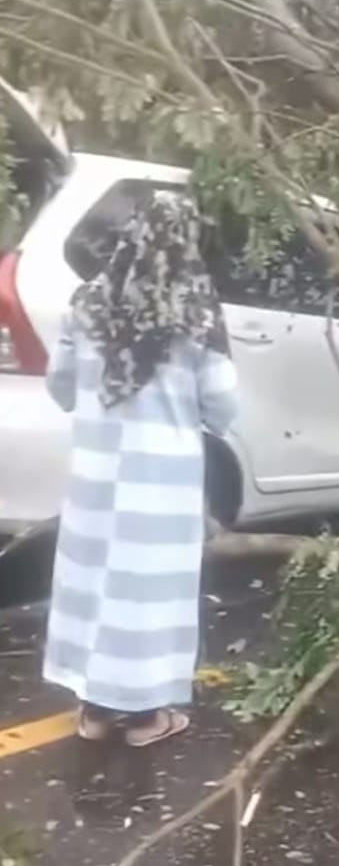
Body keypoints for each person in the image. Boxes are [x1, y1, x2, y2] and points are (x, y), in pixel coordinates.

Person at [43, 191, 238, 747]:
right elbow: (223, 407)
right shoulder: (198, 311)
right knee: (146, 598)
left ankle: (95, 712)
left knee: (94, 584)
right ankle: (149, 717)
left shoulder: (87, 303)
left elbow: (61, 386)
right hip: (163, 484)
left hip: (95, 476)